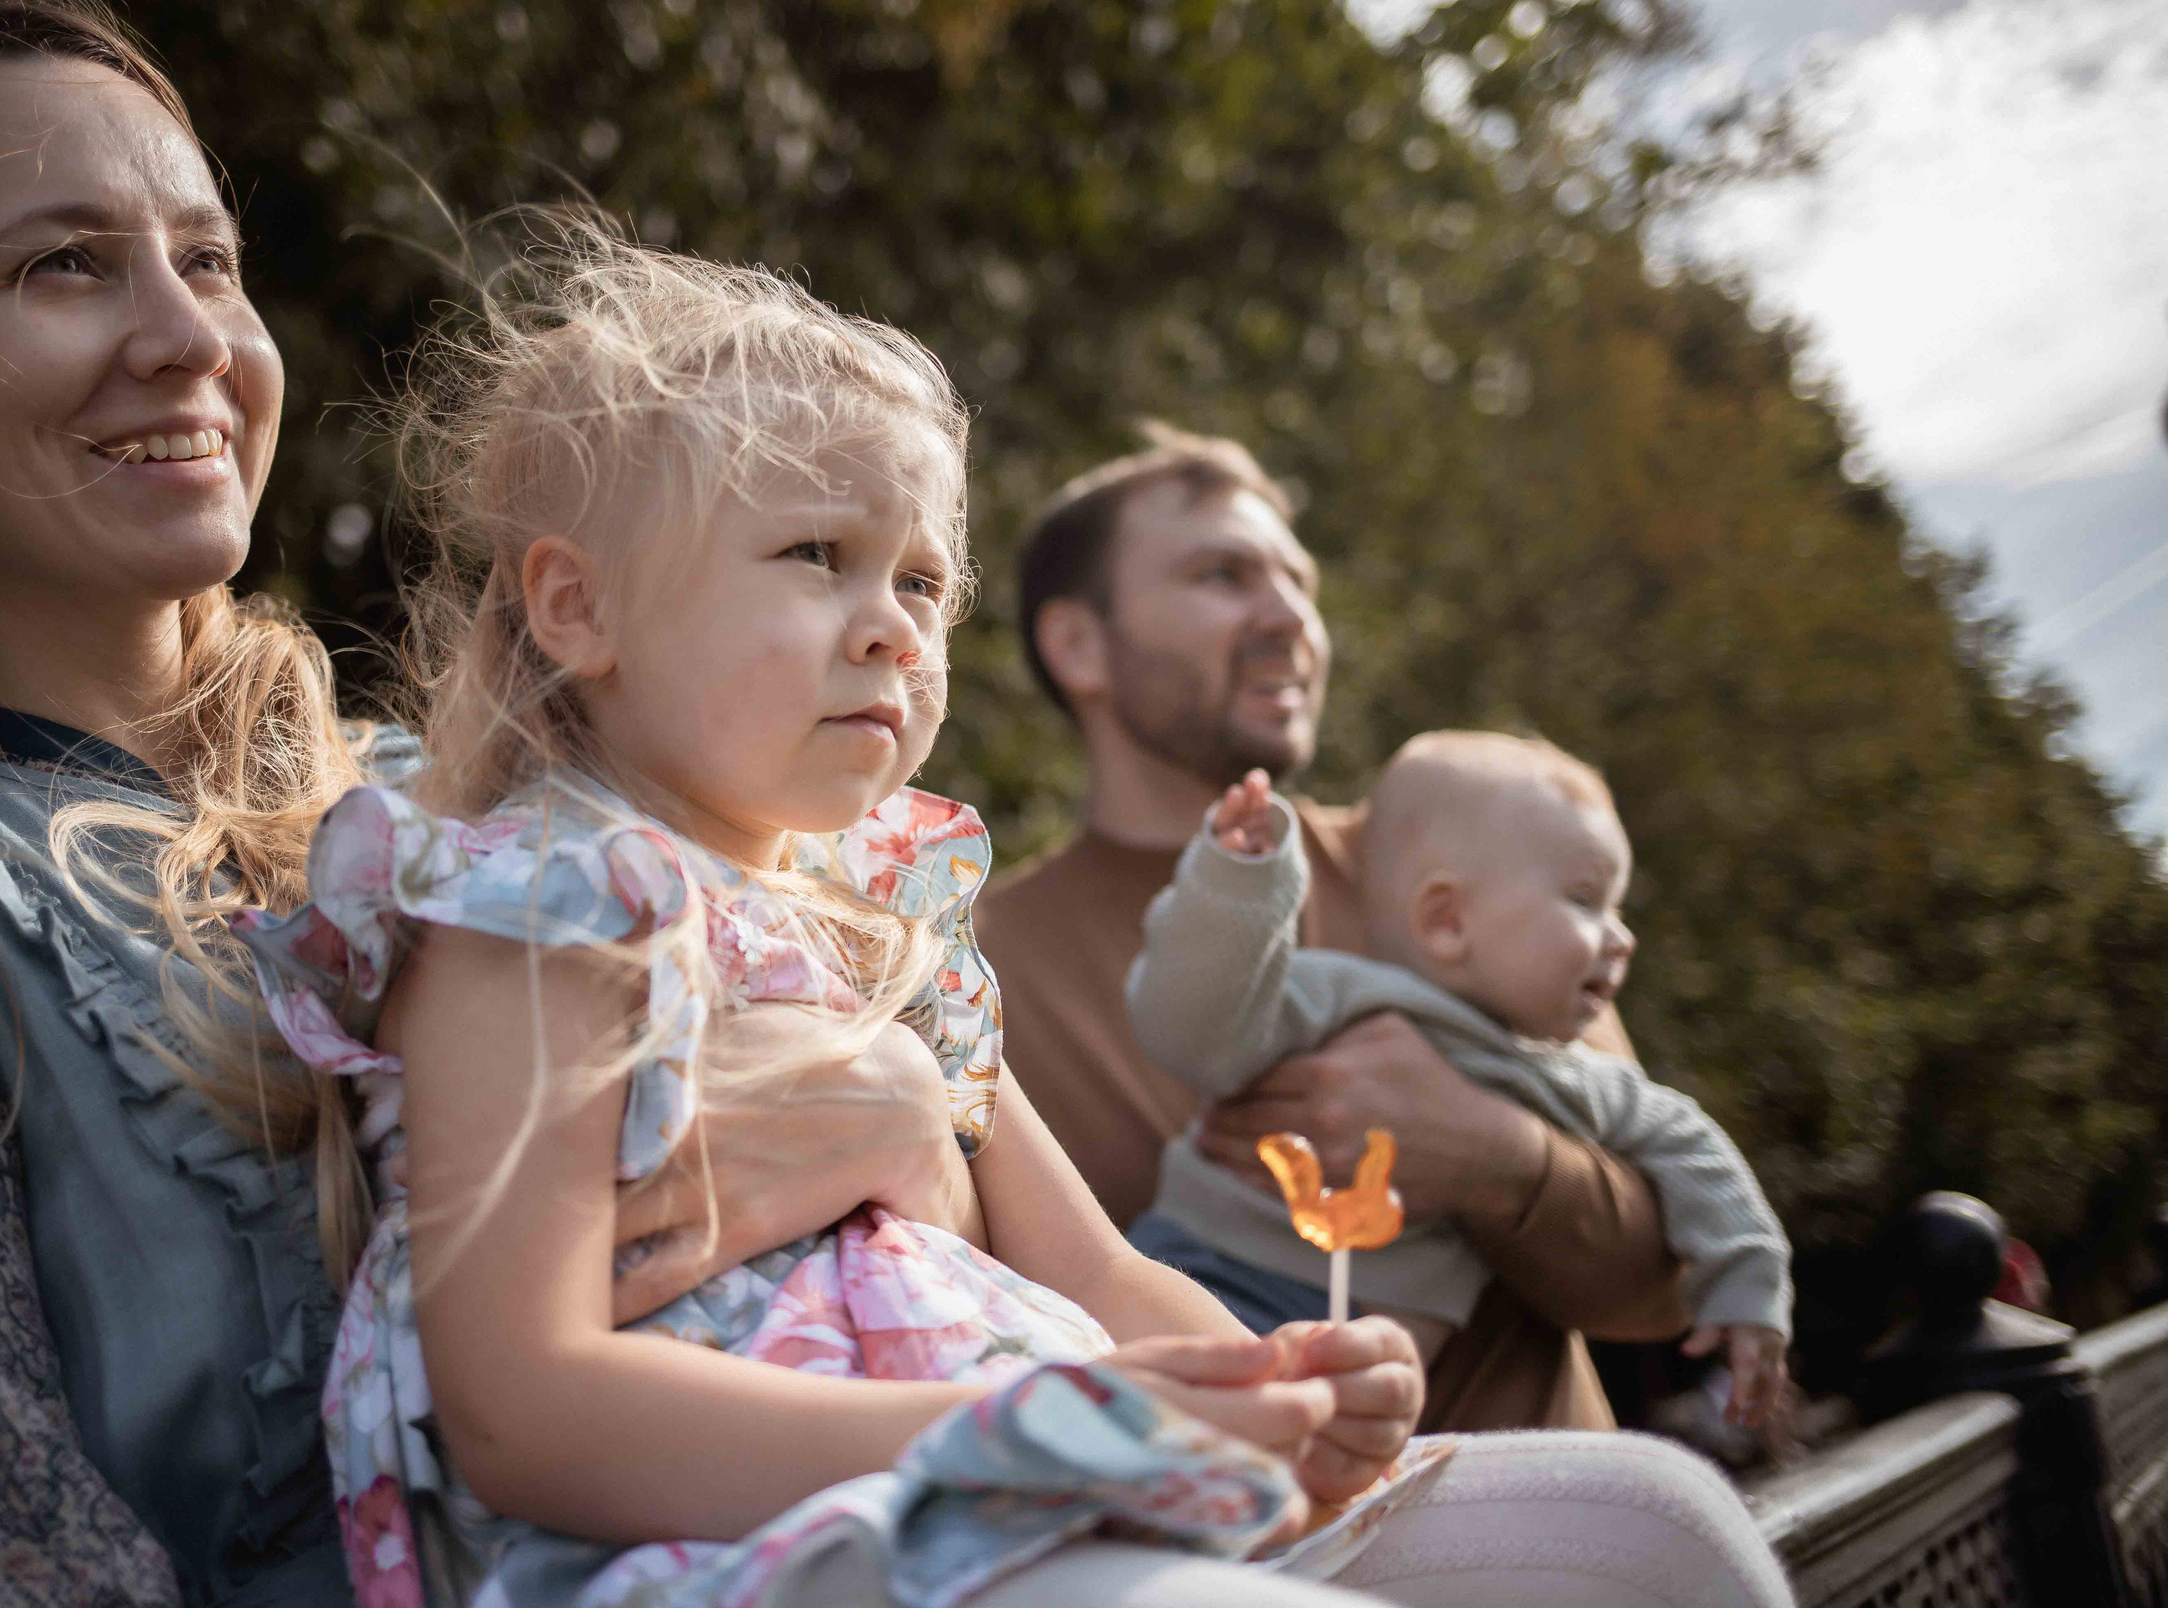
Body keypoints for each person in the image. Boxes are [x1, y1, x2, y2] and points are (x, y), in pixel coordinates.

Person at [0, 0, 979, 1604]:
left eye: (210, 258)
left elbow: (923, 1296)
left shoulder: (470, 802)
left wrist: (909, 1106)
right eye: (63, 267)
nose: (191, 337)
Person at [228, 232, 1797, 1608]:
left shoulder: (896, 923)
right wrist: (1038, 1436)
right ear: (579, 608)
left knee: (1659, 1524)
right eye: (816, 556)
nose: (893, 627)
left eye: (921, 581)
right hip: (749, 1542)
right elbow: (528, 1411)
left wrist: (1271, 1382)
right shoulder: (540, 904)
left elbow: (1104, 1279)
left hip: (1032, 1478)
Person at [973, 424, 1692, 1432]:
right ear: (1077, 644)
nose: (1290, 619)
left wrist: (1497, 1154)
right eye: (1222, 575)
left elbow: (1671, 1283)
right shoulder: (974, 967)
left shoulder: (1459, 883)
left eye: (1297, 582)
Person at [1126, 744, 1792, 1427]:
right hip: (1192, 1269)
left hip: (1349, 1353)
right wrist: (1236, 889)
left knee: (1267, 1451)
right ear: (1447, 920)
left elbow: (1693, 1148)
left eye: (1618, 909)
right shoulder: (1334, 992)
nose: (1622, 938)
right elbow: (1186, 1031)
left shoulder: (1576, 1077)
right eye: (1587, 899)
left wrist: (1747, 1290)